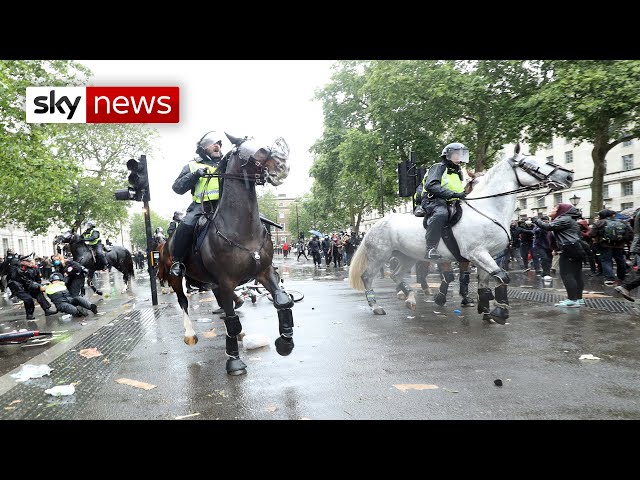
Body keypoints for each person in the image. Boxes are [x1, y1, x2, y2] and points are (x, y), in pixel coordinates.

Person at [170, 131, 228, 277]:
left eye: (219, 144)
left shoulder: (227, 164)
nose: (217, 146)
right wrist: (195, 175)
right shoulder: (192, 165)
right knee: (185, 226)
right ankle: (178, 261)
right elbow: (177, 188)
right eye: (213, 144)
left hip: (226, 205)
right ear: (203, 149)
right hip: (201, 207)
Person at [421, 142, 468, 259]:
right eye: (456, 154)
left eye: (461, 155)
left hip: (451, 201)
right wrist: (453, 194)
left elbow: (458, 189)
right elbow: (431, 185)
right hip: (434, 200)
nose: (459, 157)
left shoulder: (458, 172)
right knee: (441, 214)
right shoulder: (439, 167)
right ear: (448, 155)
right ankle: (430, 248)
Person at [532, 203, 586, 308]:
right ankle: (578, 299)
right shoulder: (569, 219)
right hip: (575, 248)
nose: (551, 209)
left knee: (567, 274)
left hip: (569, 248)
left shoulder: (564, 218)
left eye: (553, 208)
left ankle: (572, 299)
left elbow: (548, 227)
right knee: (576, 275)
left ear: (561, 210)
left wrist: (535, 219)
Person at [6, 254, 56, 319]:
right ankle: (29, 314)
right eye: (28, 261)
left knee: (39, 294)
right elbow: (26, 281)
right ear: (22, 262)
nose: (30, 262)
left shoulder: (34, 268)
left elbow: (37, 279)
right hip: (18, 287)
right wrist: (38, 286)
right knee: (28, 299)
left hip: (29, 286)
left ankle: (47, 310)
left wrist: (39, 286)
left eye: (31, 261)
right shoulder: (19, 270)